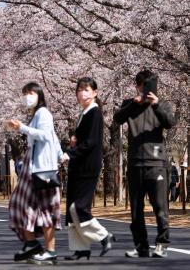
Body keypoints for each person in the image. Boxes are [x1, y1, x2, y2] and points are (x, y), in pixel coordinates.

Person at [114, 70, 177, 258]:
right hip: (134, 163)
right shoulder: (130, 104)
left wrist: (156, 105)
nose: (146, 88)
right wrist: (134, 103)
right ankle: (141, 246)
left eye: (149, 84)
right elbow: (117, 118)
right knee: (135, 210)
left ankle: (162, 244)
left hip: (157, 163)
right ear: (137, 86)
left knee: (160, 206)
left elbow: (170, 123)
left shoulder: (162, 104)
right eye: (142, 85)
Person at [6, 81, 66, 265]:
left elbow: (46, 135)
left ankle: (50, 251)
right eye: (25, 93)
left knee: (45, 210)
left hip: (42, 170)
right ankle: (31, 243)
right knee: (22, 205)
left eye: (31, 92)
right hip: (33, 169)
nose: (27, 96)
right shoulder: (37, 115)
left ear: (39, 94)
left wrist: (21, 128)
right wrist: (60, 154)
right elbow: (54, 137)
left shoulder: (43, 113)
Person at [63, 77, 115, 261]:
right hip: (78, 166)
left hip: (87, 167)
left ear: (95, 92)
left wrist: (71, 153)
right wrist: (74, 141)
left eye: (86, 90)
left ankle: (104, 236)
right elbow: (84, 138)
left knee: (79, 207)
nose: (82, 93)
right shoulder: (84, 113)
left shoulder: (95, 113)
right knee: (71, 208)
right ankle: (81, 248)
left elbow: (92, 141)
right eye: (79, 90)